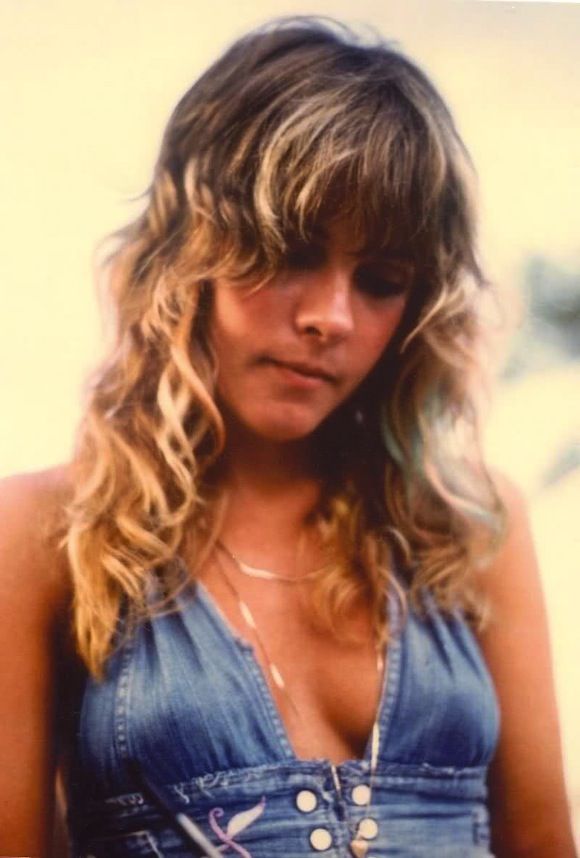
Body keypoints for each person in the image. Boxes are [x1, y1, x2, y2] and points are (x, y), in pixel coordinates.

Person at [0, 16, 576, 858]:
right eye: (292, 252)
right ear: (189, 247)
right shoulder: (47, 536)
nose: (329, 318)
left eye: (380, 281)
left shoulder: (468, 530)